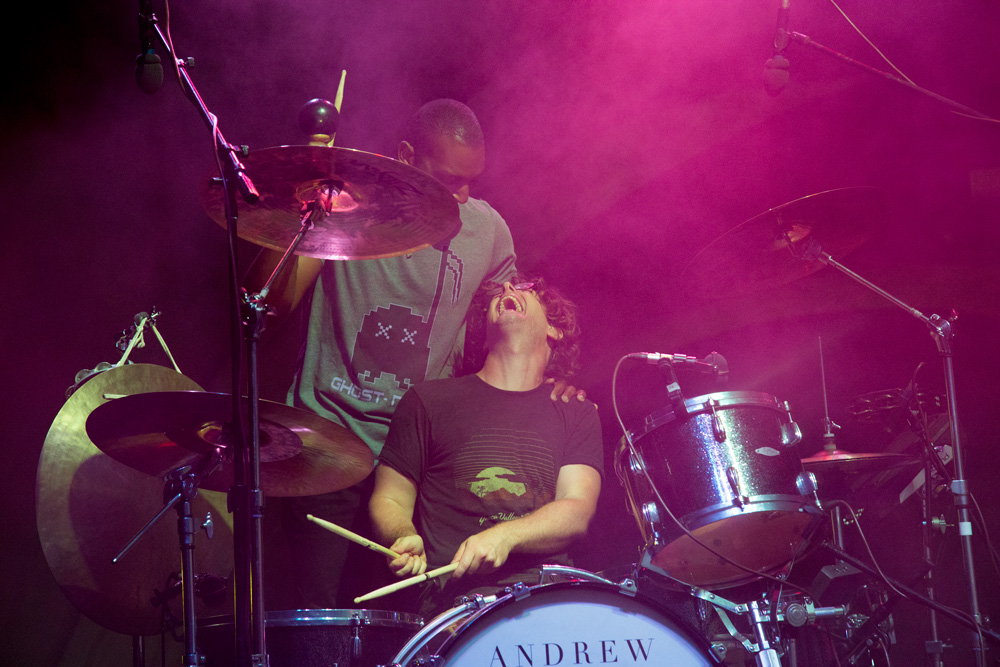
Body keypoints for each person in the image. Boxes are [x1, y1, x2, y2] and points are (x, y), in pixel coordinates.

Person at [246, 99, 583, 609]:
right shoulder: (347, 205)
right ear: (406, 156)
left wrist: (552, 378)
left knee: (412, 628)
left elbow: (516, 326)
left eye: (473, 180)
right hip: (328, 447)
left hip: (422, 463)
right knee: (324, 627)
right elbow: (272, 302)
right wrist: (309, 199)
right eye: (450, 179)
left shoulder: (486, 230)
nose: (463, 194)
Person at [369, 277, 603, 617]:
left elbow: (577, 508)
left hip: (549, 600)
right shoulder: (428, 400)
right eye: (498, 291)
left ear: (554, 329)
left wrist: (504, 537)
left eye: (525, 287)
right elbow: (389, 497)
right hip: (455, 608)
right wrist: (403, 534)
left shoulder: (576, 411)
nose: (507, 289)